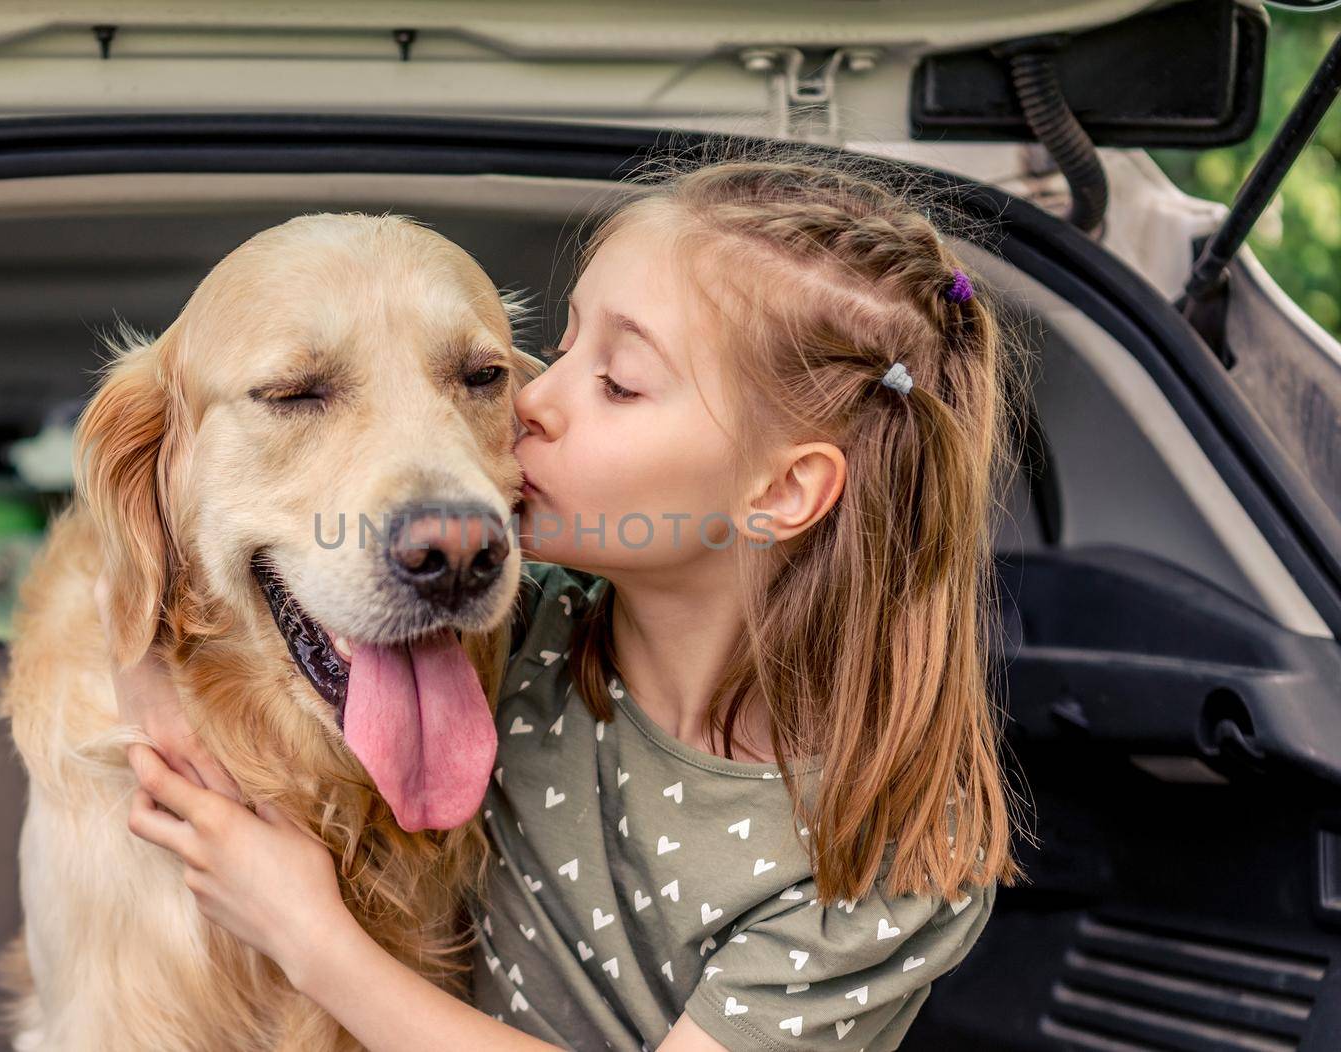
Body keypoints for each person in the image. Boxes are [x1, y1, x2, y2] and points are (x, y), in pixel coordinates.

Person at [117, 143, 1030, 1050]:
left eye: (618, 382)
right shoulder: (531, 640)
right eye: (547, 351)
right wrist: (143, 673)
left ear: (780, 491)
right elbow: (157, 596)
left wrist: (311, 938)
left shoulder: (891, 851)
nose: (527, 401)